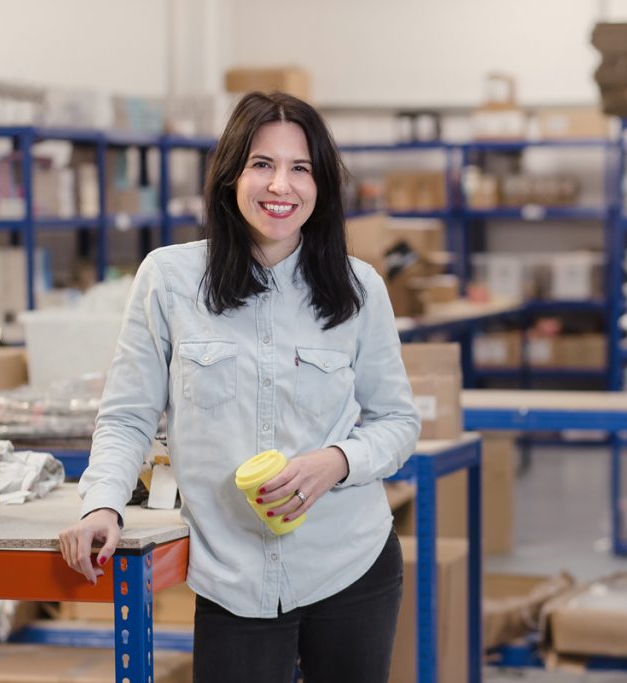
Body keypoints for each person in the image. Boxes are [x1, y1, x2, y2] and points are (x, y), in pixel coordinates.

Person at [59, 91, 421, 683]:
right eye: (262, 164)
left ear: (321, 185)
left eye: (300, 168)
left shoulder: (360, 289)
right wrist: (102, 504)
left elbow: (398, 423)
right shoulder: (169, 280)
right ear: (230, 176)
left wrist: (336, 461)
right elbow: (127, 417)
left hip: (350, 564)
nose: (281, 186)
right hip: (233, 579)